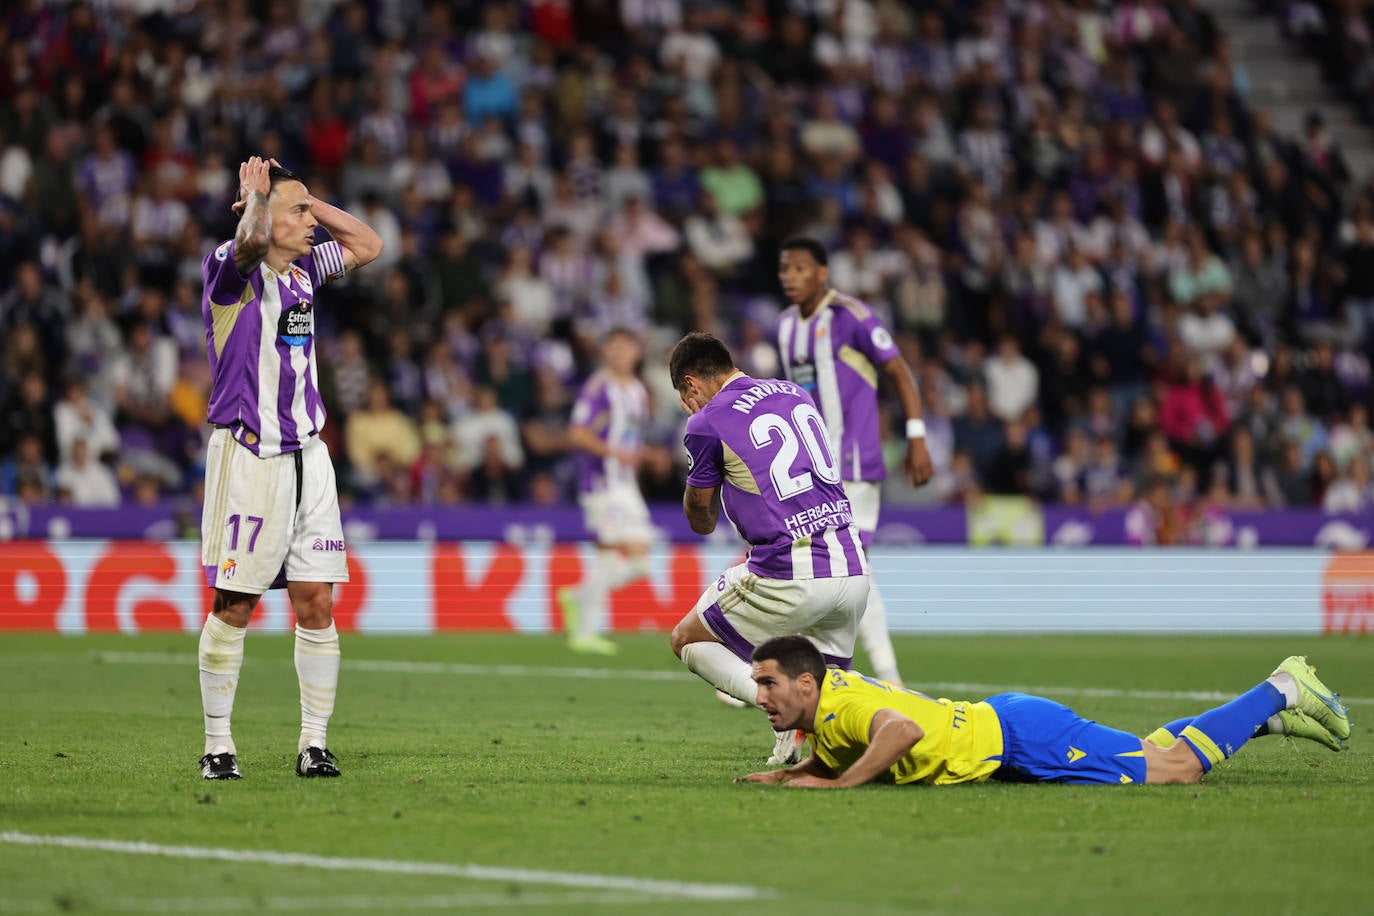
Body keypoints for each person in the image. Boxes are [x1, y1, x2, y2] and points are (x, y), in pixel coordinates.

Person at [196, 157, 382, 780]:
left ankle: (313, 743)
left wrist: (305, 200)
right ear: (262, 218)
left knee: (316, 601)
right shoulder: (231, 273)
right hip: (249, 454)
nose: (312, 223)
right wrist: (259, 200)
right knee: (236, 601)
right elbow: (250, 242)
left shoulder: (301, 275)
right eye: (298, 213)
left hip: (309, 457)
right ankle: (219, 746)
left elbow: (369, 243)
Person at [740, 636, 1351, 789]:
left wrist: (842, 784)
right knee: (1151, 749)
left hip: (1019, 738)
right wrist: (797, 773)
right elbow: (844, 739)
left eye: (768, 684)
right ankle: (1266, 723)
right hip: (1006, 725)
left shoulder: (843, 703)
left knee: (1177, 770)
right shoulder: (828, 700)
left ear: (805, 682)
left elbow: (900, 729)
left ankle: (1281, 688)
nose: (759, 696)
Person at [667, 333, 871, 765]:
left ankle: (779, 708)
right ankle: (859, 733)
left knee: (686, 639)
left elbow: (700, 520)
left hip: (789, 570)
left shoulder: (706, 420)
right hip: (853, 567)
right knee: (828, 686)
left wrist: (702, 462)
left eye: (685, 396)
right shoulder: (792, 391)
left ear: (691, 385)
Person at [776, 237, 934, 685]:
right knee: (848, 568)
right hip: (811, 466)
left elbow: (899, 371)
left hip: (854, 463)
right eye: (785, 269)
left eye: (800, 268)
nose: (790, 276)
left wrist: (916, 435)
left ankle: (797, 671)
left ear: (822, 273)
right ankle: (883, 678)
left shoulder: (852, 317)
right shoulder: (786, 326)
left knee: (841, 566)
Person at [558, 328, 654, 655]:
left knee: (641, 561)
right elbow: (577, 434)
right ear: (605, 352)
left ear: (637, 352)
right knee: (608, 552)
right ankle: (584, 633)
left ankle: (578, 595)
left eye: (625, 347)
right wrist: (615, 454)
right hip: (600, 483)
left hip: (625, 484)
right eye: (613, 348)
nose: (619, 354)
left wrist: (637, 457)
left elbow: (630, 437)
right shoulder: (599, 387)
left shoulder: (639, 390)